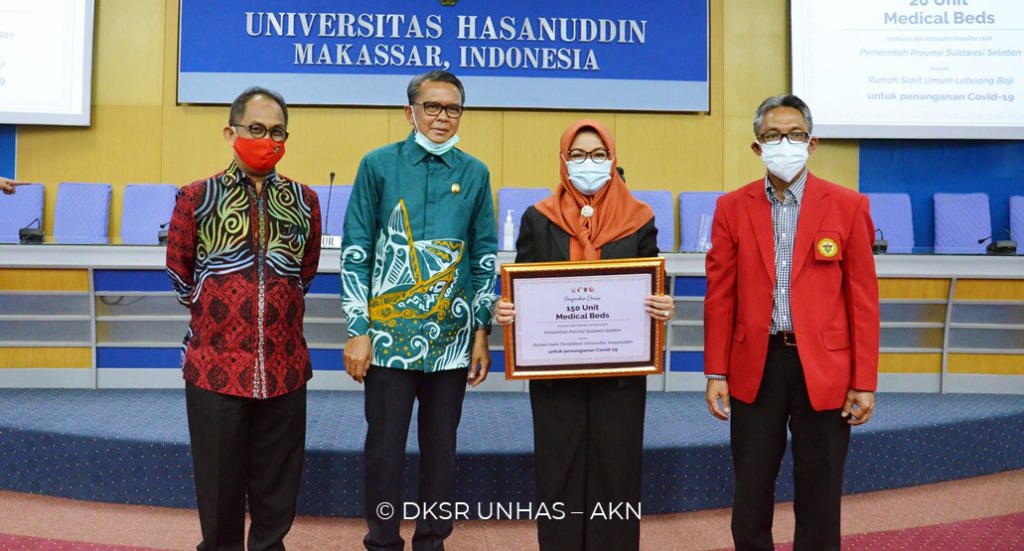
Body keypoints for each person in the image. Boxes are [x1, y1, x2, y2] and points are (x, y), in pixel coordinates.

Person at [703, 94, 880, 551]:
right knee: (751, 492)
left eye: (795, 134)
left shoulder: (848, 205)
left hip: (824, 367)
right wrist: (716, 371)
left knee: (820, 492)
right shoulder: (731, 207)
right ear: (757, 147)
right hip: (755, 364)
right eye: (773, 136)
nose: (785, 143)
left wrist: (864, 381)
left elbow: (862, 300)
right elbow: (720, 296)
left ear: (812, 143)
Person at [494, 120, 675, 551]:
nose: (587, 163)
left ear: (612, 159)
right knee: (558, 470)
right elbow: (523, 285)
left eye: (597, 155)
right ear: (563, 160)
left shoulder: (639, 219)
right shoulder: (539, 218)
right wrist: (507, 309)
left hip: (620, 375)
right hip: (556, 375)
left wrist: (663, 304)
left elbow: (650, 282)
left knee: (617, 469)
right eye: (577, 155)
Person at [341, 69, 498, 551]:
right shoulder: (378, 165)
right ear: (410, 112)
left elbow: (484, 256)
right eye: (432, 107)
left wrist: (481, 330)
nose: (442, 117)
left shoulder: (475, 173)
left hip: (451, 343)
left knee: (441, 453)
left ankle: (432, 540)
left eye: (453, 109)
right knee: (384, 452)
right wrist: (358, 328)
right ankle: (382, 541)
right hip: (388, 340)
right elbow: (356, 249)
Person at [166, 86, 322, 551]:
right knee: (219, 485)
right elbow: (179, 272)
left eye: (277, 132)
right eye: (256, 129)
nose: (267, 140)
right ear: (230, 132)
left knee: (278, 484)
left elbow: (305, 273)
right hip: (215, 367)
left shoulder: (304, 201)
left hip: (284, 366)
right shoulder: (196, 197)